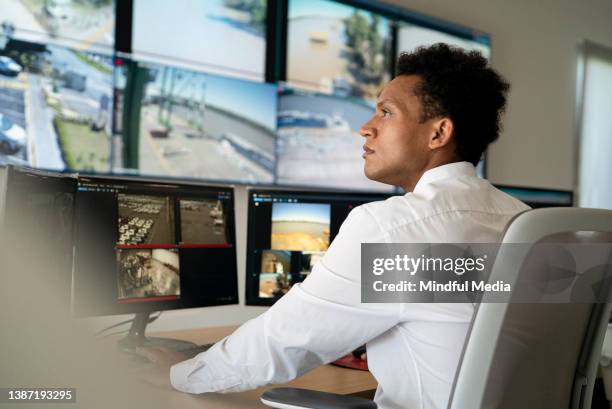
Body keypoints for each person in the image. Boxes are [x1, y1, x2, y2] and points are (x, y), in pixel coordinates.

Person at [138, 43, 530, 409]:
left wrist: (180, 375)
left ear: (438, 133)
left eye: (386, 112)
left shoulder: (393, 227)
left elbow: (284, 341)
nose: (366, 127)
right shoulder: (530, 223)